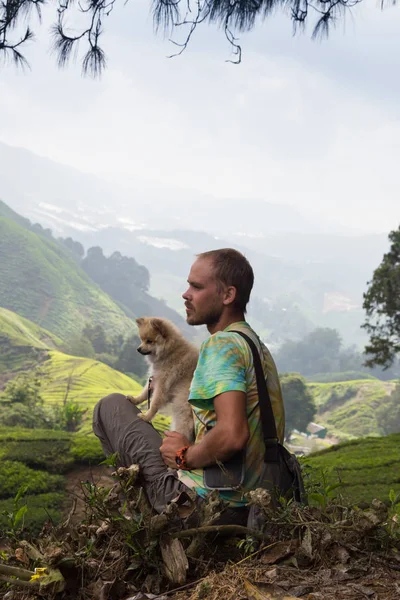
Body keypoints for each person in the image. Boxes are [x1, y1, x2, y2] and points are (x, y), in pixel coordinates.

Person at [93, 248, 285, 525]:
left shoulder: (221, 345)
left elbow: (233, 435)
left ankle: (140, 519)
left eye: (196, 287)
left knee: (109, 406)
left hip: (204, 503)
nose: (186, 294)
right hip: (253, 502)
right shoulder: (255, 345)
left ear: (228, 295)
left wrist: (185, 455)